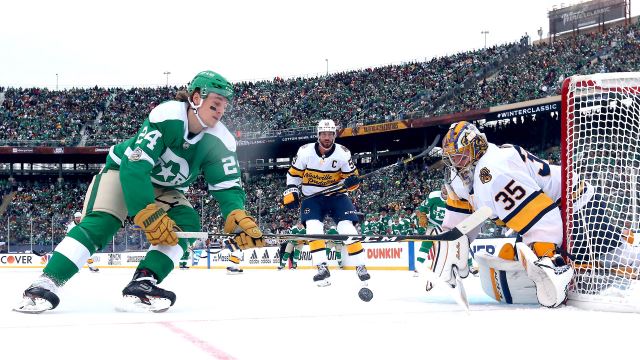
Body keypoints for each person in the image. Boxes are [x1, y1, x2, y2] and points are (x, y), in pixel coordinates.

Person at [14, 70, 264, 313]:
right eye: (215, 104)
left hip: (166, 187)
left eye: (224, 106)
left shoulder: (221, 141)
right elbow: (135, 167)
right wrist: (146, 210)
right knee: (103, 222)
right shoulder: (167, 117)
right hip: (124, 170)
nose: (221, 112)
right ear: (196, 98)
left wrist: (237, 215)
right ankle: (45, 283)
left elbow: (228, 186)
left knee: (187, 222)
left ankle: (144, 281)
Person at [429, 120, 574, 308]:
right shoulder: (466, 173)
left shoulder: (496, 171)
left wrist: (548, 257)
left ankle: (559, 266)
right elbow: (461, 219)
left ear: (476, 148)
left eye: (461, 156)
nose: (456, 164)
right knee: (517, 254)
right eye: (452, 158)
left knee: (611, 256)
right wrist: (451, 244)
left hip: (576, 206)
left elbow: (540, 217)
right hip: (556, 209)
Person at [282, 119, 370, 286]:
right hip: (311, 197)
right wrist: (292, 189)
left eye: (330, 134)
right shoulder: (305, 152)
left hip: (337, 195)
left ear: (334, 135)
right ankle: (322, 266)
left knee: (347, 228)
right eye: (324, 134)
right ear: (318, 135)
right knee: (314, 229)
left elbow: (353, 180)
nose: (327, 137)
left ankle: (360, 265)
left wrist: (353, 183)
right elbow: (293, 175)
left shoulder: (343, 153)